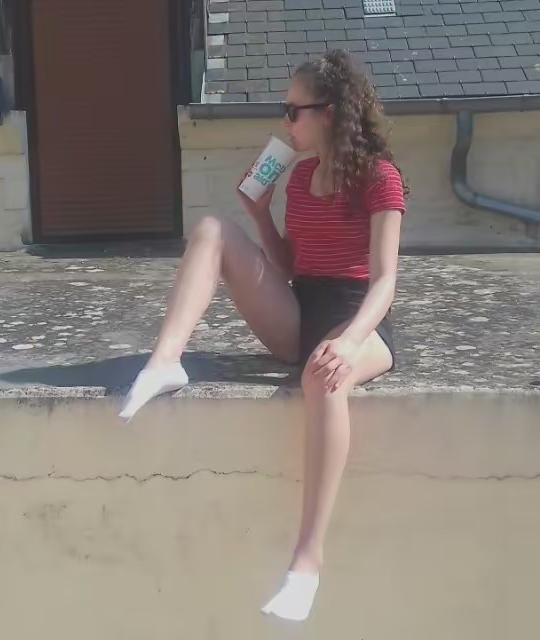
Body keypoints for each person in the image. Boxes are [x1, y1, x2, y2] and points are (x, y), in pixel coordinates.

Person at [118, 49, 407, 621]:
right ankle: (165, 362)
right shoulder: (299, 178)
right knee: (212, 228)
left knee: (324, 379)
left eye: (294, 110)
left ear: (329, 113)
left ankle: (307, 561)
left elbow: (386, 282)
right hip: (304, 311)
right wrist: (257, 213)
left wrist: (349, 342)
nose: (285, 121)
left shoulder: (380, 177)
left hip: (360, 319)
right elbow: (291, 267)